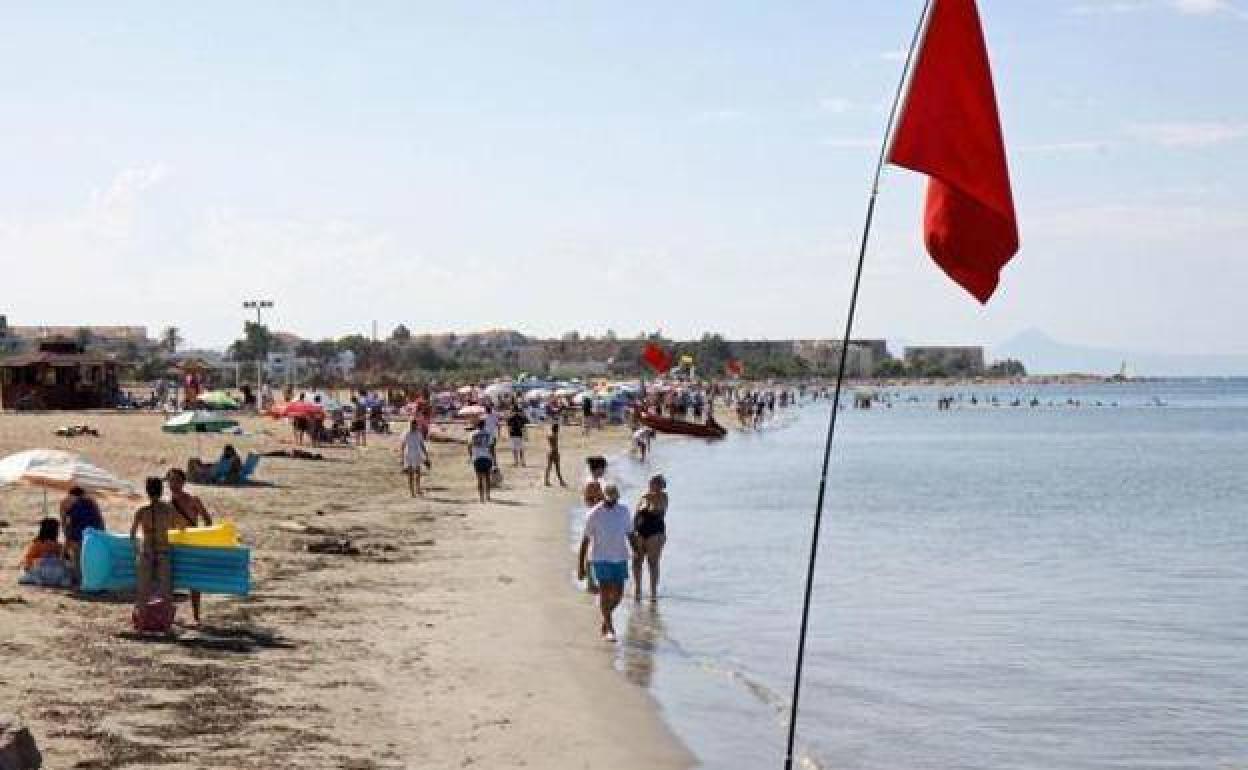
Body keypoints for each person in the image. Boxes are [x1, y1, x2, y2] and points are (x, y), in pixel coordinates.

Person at [577, 484, 637, 642]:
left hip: (620, 557)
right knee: (604, 593)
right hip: (600, 558)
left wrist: (636, 550)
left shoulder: (624, 511)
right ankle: (610, 628)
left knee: (618, 595)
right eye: (609, 499)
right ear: (603, 497)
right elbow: (585, 541)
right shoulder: (594, 514)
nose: (612, 502)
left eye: (614, 499)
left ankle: (606, 618)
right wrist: (581, 567)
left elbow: (630, 533)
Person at [167, 468, 213, 624]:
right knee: (170, 580)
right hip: (176, 544)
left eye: (177, 481)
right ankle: (169, 615)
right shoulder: (167, 504)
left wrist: (203, 536)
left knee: (194, 582)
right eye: (171, 481)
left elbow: (208, 520)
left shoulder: (194, 500)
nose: (174, 484)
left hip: (193, 543)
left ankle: (196, 616)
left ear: (183, 482)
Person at [129, 477, 177, 608]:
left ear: (147, 491)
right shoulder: (169, 510)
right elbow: (175, 529)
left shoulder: (142, 510)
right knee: (165, 589)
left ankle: (143, 617)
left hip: (146, 551)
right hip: (164, 550)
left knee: (143, 589)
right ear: (161, 491)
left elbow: (132, 534)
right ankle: (164, 618)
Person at [632, 475, 668, 602]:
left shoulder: (663, 496)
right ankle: (637, 589)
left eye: (655, 483)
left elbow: (658, 510)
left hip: (655, 532)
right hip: (640, 531)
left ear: (661, 485)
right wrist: (633, 531)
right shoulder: (644, 496)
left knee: (653, 563)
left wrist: (647, 502)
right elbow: (637, 514)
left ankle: (653, 592)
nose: (652, 486)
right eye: (651, 483)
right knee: (637, 561)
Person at [60, 486, 105, 581]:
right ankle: (91, 579)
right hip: (93, 532)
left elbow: (64, 523)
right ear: (83, 493)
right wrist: (102, 534)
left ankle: (80, 580)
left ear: (70, 494)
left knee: (77, 558)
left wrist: (67, 538)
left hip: (77, 532)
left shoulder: (65, 502)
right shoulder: (91, 501)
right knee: (91, 558)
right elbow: (100, 519)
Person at [17, 517, 71, 587]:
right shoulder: (57, 545)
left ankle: (40, 580)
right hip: (55, 573)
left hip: (41, 573)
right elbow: (66, 559)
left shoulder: (37, 544)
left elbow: (27, 561)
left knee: (24, 577)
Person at [400, 419, 430, 497]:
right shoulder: (406, 433)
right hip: (409, 454)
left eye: (414, 425)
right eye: (411, 424)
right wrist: (402, 458)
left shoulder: (418, 433)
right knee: (410, 474)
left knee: (418, 473)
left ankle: (418, 489)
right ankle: (412, 492)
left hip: (417, 454)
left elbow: (422, 444)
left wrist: (426, 456)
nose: (412, 426)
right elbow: (402, 446)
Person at [468, 419, 494, 503]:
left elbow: (469, 446)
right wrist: (493, 458)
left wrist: (471, 456)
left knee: (479, 478)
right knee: (487, 477)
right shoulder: (489, 434)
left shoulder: (472, 434)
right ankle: (488, 495)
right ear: (484, 425)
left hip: (477, 457)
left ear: (477, 425)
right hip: (487, 457)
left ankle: (481, 498)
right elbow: (491, 447)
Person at [544, 423, 566, 487]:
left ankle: (546, 481)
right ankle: (561, 482)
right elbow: (555, 446)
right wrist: (557, 454)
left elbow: (550, 443)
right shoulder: (555, 436)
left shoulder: (550, 436)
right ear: (557, 429)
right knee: (557, 469)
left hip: (550, 452)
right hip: (554, 453)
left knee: (549, 468)